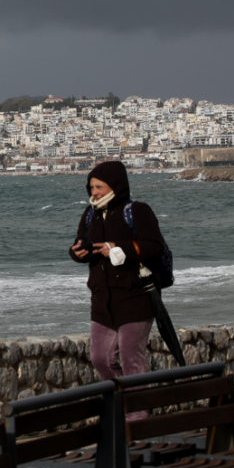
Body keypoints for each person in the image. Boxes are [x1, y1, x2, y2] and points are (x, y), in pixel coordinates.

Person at [69, 160, 167, 390]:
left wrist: (118, 247)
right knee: (100, 359)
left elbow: (154, 246)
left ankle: (135, 419)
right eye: (91, 187)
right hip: (102, 299)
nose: (94, 192)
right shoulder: (90, 214)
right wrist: (77, 253)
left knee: (132, 361)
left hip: (135, 297)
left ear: (115, 186)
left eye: (99, 187)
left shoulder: (137, 211)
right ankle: (126, 404)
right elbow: (81, 244)